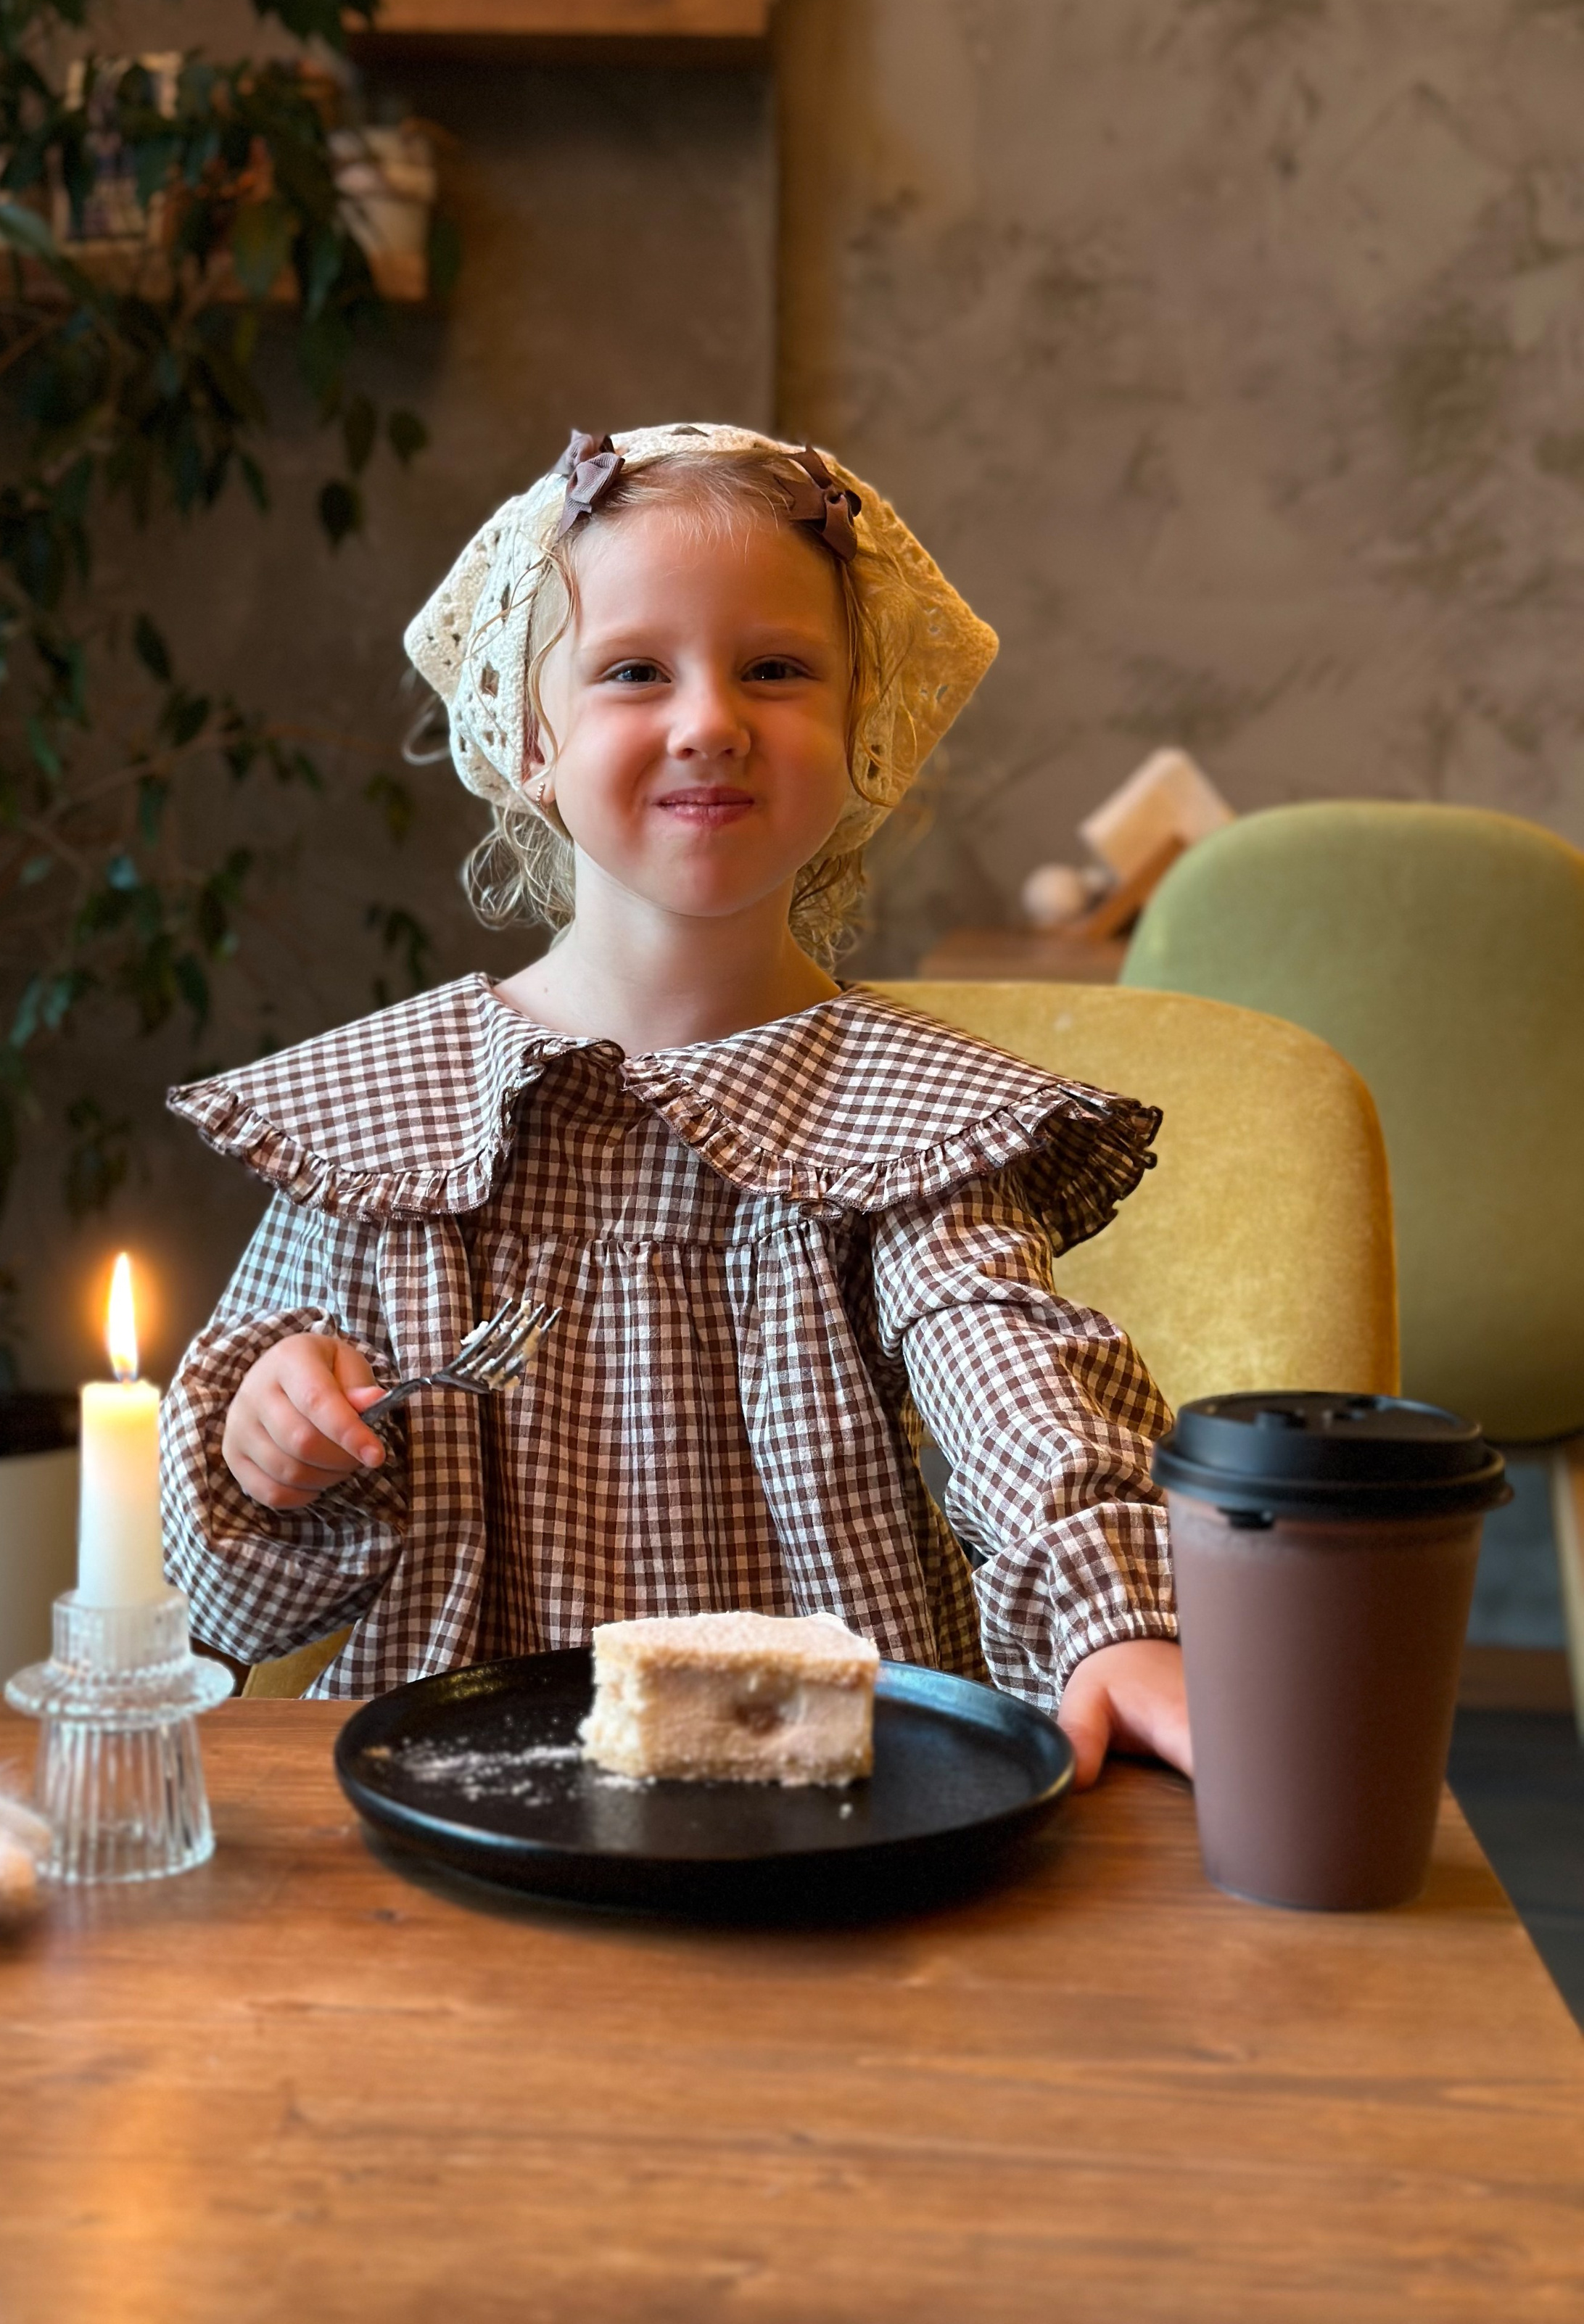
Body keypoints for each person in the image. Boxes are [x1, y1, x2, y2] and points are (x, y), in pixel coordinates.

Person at [162, 424, 1190, 1788]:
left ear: (858, 728)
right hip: (463, 1783)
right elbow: (234, 1591)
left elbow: (1013, 1375)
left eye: (775, 669)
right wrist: (270, 1437)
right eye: (636, 670)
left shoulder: (903, 1113)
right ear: (531, 737)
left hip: (838, 1788)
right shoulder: (394, 1117)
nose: (711, 719)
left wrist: (1110, 1625)